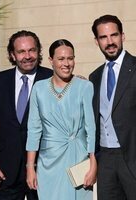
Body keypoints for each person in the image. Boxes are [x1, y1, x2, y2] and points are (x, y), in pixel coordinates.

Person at [0, 30, 53, 200]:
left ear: (38, 51)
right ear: (12, 55)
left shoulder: (52, 79)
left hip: (43, 168)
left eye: (32, 50)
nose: (27, 56)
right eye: (21, 51)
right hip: (5, 171)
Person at [26, 39, 97, 200]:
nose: (66, 63)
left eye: (70, 58)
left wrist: (93, 165)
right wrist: (30, 167)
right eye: (61, 59)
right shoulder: (39, 88)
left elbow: (91, 129)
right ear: (51, 61)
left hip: (78, 162)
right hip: (48, 163)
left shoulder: (85, 87)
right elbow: (34, 130)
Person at [89, 14, 136, 200]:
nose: (110, 42)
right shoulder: (95, 77)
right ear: (96, 41)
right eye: (103, 37)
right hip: (106, 159)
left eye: (114, 35)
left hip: (132, 157)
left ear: (122, 36)